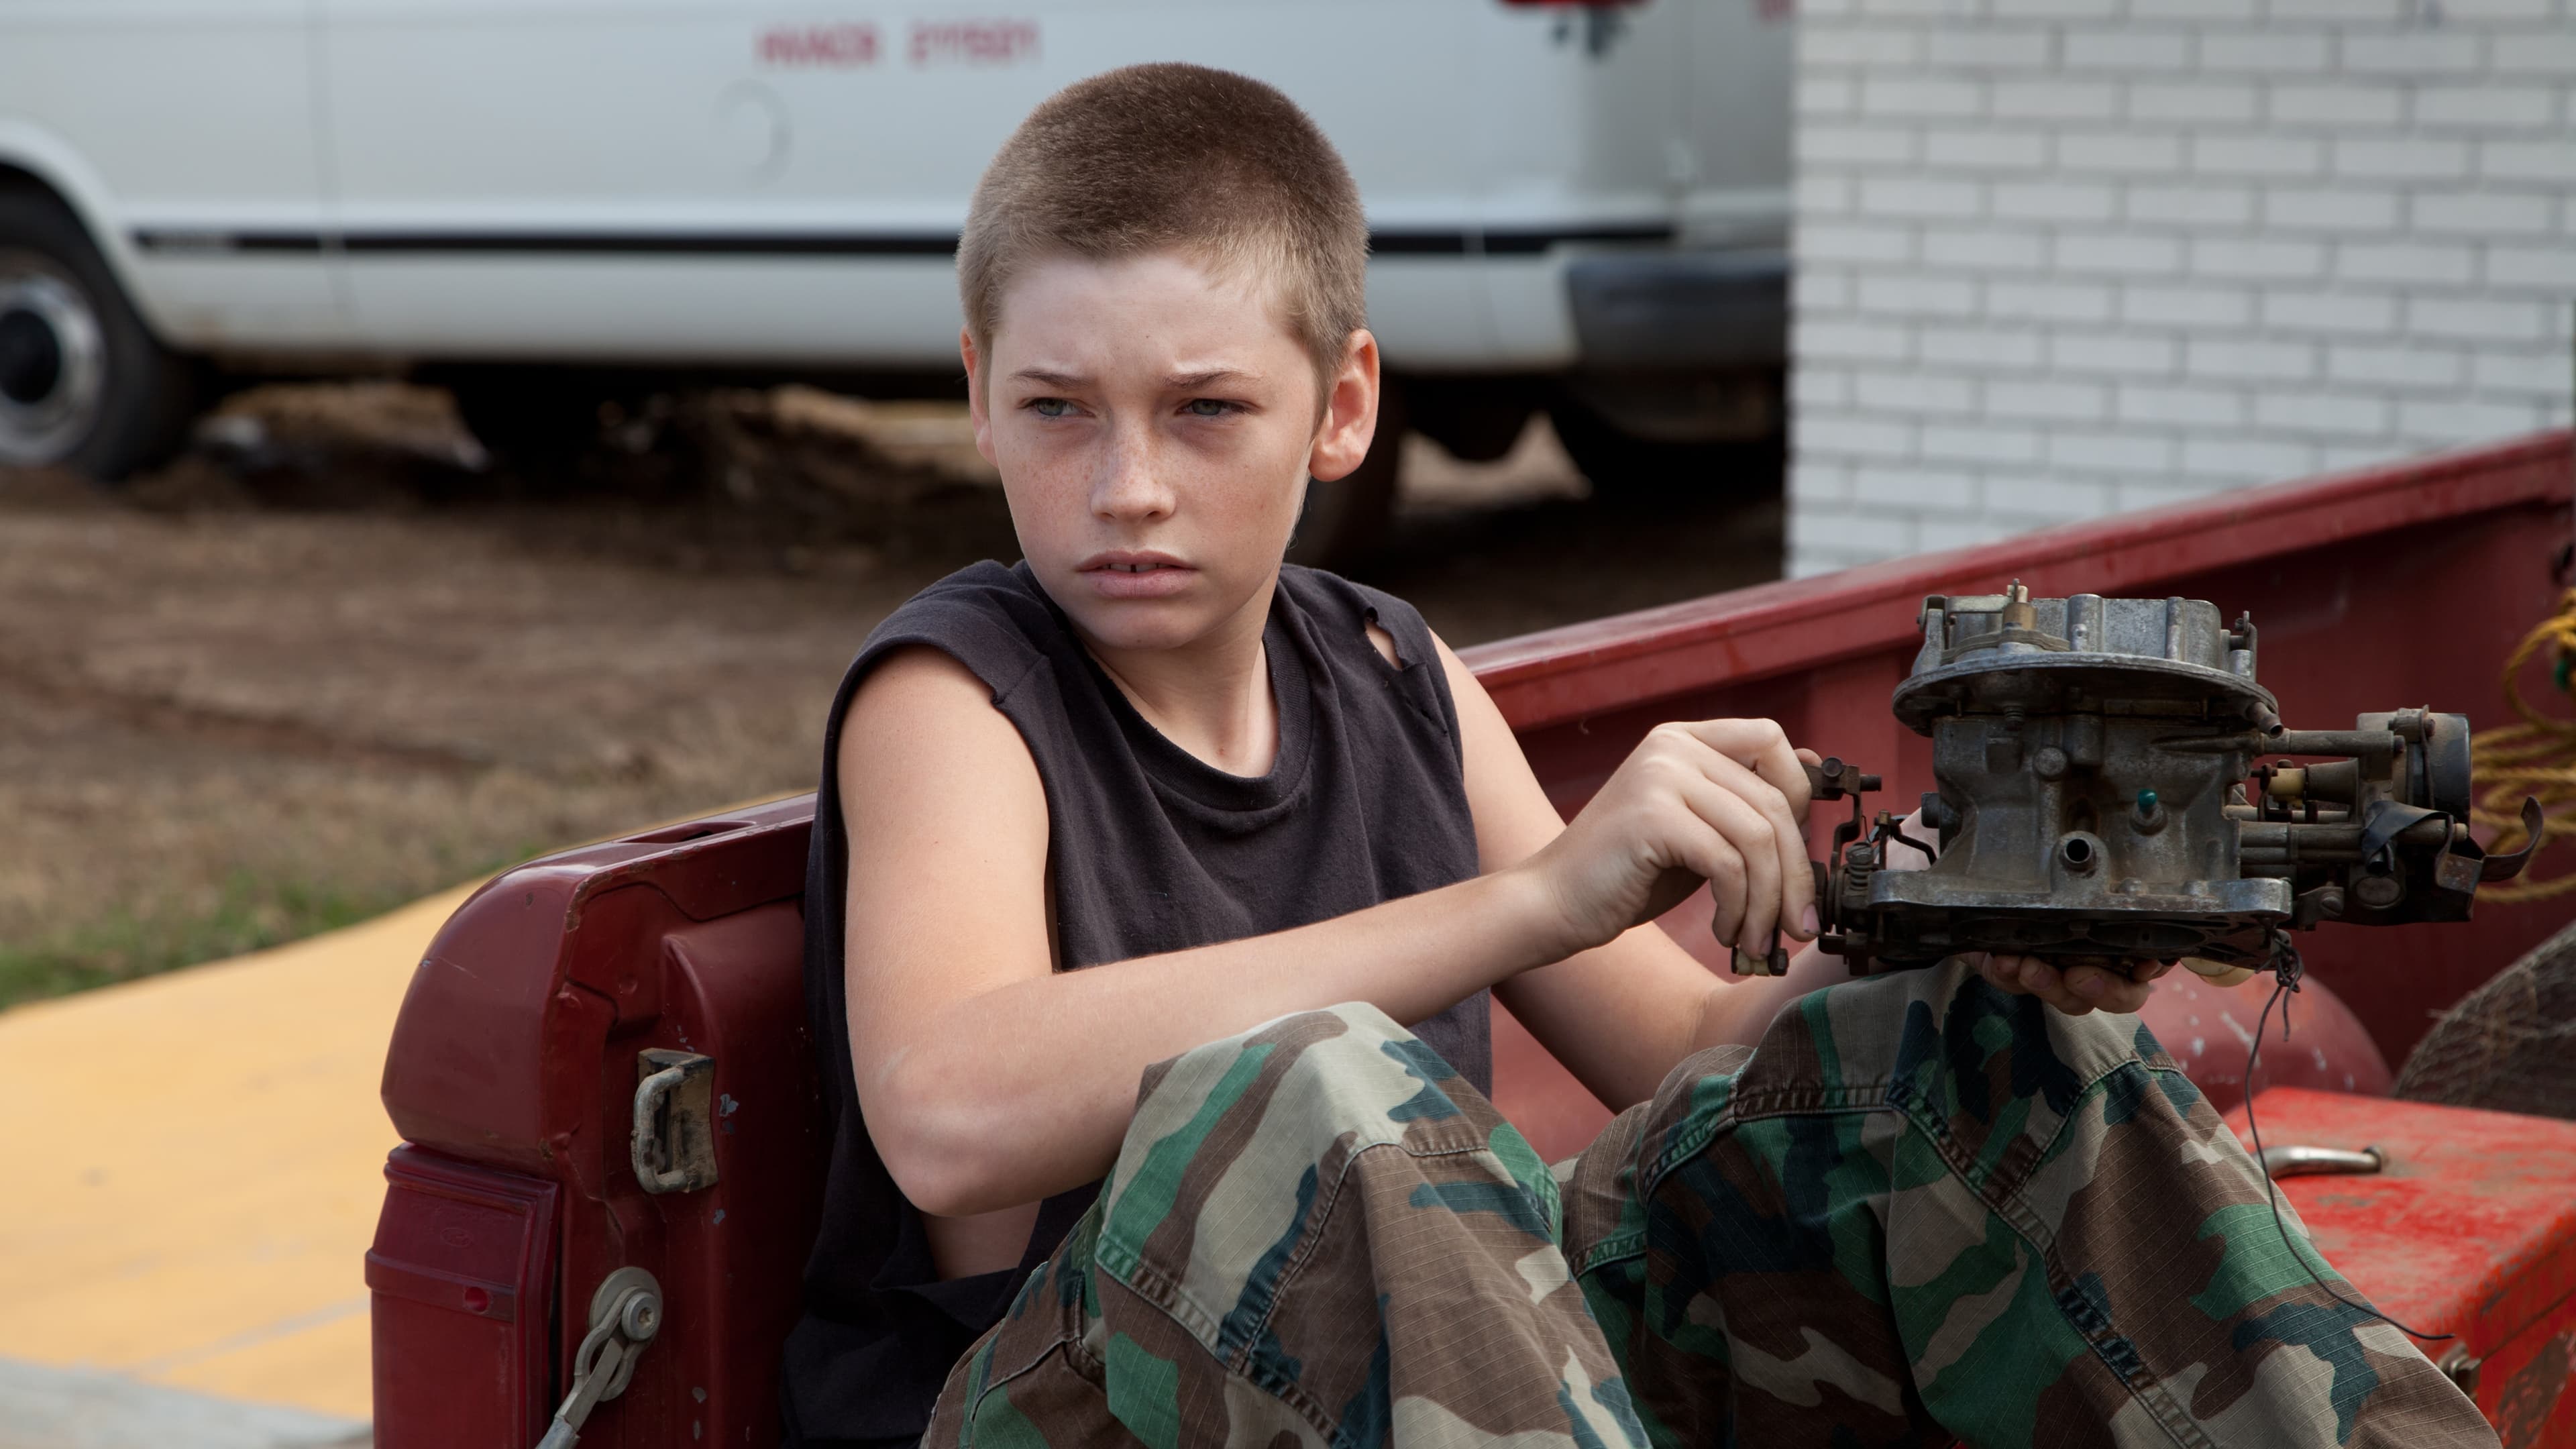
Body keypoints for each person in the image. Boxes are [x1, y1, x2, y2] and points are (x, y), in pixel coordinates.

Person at [781, 64, 2493, 1449]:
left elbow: (1685, 1060)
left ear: (1344, 405)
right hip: (1065, 1399)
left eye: (1205, 409)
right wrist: (1538, 897)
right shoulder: (959, 691)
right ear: (978, 390)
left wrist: (1947, 926)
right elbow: (948, 1113)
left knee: (1951, 1050)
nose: (1128, 486)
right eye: (1057, 408)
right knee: (1315, 1086)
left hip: (1421, 1380)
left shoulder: (1388, 669)